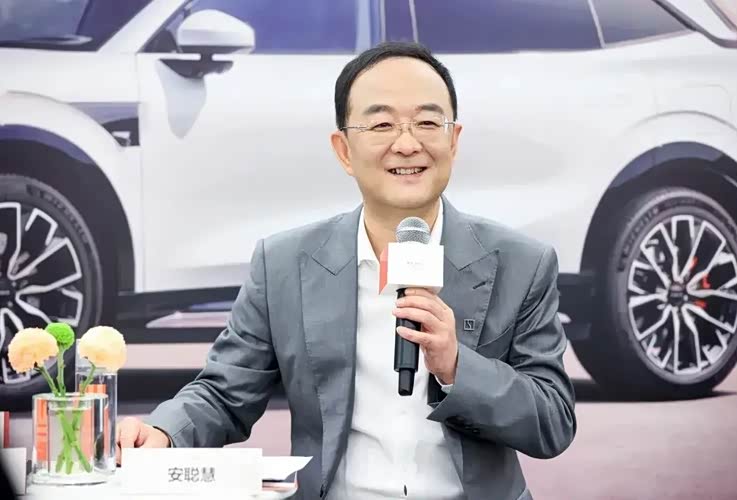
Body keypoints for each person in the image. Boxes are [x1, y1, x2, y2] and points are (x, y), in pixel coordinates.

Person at [117, 41, 576, 500]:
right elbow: (224, 393)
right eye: (381, 125)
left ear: (453, 140)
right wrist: (164, 433)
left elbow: (552, 421)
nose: (407, 144)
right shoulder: (283, 265)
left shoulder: (522, 263)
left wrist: (457, 367)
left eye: (427, 123)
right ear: (344, 150)